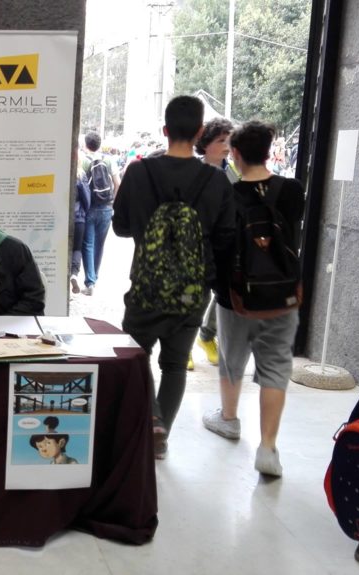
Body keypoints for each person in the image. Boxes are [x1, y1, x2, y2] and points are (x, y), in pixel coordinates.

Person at [112, 95, 235, 459]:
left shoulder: (138, 172)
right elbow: (225, 238)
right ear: (200, 132)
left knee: (136, 356)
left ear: (165, 130)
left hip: (146, 287)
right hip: (193, 291)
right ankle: (160, 434)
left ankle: (151, 419)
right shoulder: (216, 180)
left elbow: (120, 227)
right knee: (175, 364)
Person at [200, 121, 305, 479]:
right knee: (275, 367)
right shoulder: (292, 190)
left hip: (236, 296)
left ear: (235, 153)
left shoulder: (227, 193)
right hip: (282, 295)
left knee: (232, 361)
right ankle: (268, 447)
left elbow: (220, 244)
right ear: (268, 150)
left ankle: (229, 420)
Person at [187, 117, 239, 370]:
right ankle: (183, 345)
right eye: (221, 140)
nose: (227, 146)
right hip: (196, 245)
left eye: (229, 140)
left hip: (226, 245)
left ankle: (206, 336)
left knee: (224, 295)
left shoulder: (233, 172)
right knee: (194, 296)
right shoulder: (192, 172)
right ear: (205, 143)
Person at [79, 132, 121, 296]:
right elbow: (117, 183)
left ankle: (90, 282)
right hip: (106, 208)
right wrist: (113, 203)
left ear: (86, 144)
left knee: (87, 244)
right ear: (99, 144)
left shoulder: (84, 161)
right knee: (99, 245)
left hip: (89, 208)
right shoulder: (108, 160)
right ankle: (94, 278)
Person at [71, 164, 92, 294]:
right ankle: (74, 273)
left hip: (62, 219)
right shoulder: (80, 174)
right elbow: (87, 200)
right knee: (77, 248)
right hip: (78, 217)